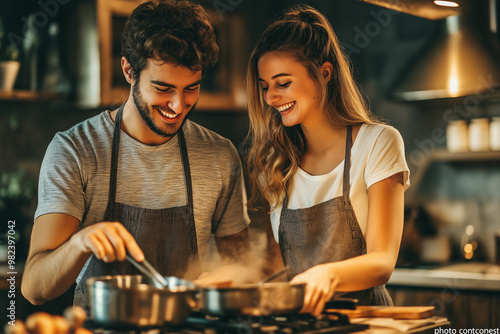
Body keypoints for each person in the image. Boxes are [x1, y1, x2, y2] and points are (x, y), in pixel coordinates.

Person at [21, 0, 250, 311]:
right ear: (129, 70)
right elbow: (34, 287)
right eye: (163, 88)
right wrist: (81, 242)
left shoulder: (220, 155)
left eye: (191, 88)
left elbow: (245, 269)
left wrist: (227, 279)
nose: (178, 105)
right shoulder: (75, 151)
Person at [245, 5, 410, 316]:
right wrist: (234, 279)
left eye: (283, 83)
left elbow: (382, 261)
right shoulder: (275, 161)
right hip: (301, 323)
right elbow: (276, 270)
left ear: (324, 73)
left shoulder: (377, 143)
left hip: (366, 323)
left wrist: (328, 275)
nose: (270, 98)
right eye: (265, 86)